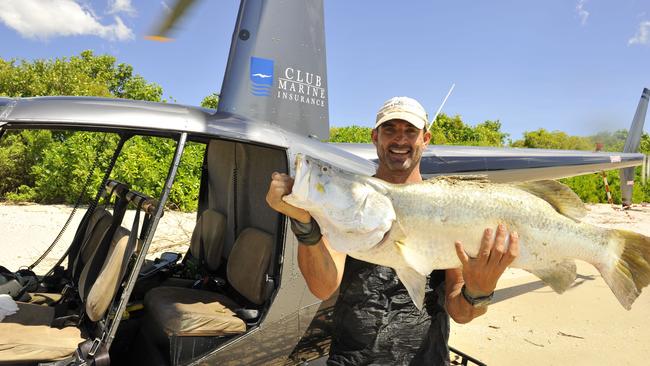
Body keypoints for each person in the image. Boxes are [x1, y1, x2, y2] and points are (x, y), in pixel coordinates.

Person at [266, 96, 519, 365]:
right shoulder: (352, 201)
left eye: (410, 131)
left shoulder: (446, 206)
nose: (400, 140)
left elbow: (461, 312)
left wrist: (479, 291)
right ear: (375, 137)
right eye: (390, 130)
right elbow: (322, 286)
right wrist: (304, 223)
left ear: (426, 139)